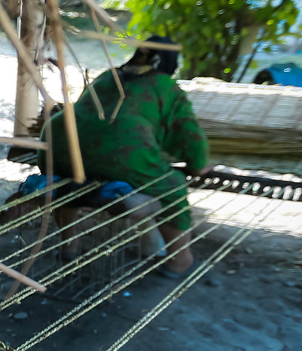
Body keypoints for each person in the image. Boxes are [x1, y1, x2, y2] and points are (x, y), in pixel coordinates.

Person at [49, 35, 210, 275]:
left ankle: (69, 247)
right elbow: (189, 134)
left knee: (69, 178)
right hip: (122, 155)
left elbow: (90, 118)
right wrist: (199, 166)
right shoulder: (166, 86)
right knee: (173, 187)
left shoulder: (107, 76)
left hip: (60, 148)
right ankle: (180, 262)